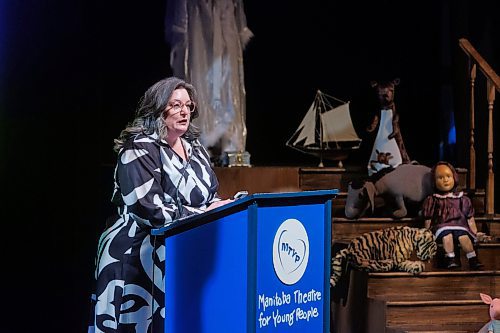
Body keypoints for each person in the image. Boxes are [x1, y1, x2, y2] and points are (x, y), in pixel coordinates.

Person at [88, 77, 234, 333]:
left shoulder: (195, 149)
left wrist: (225, 205)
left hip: (181, 253)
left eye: (188, 106)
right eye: (176, 104)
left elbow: (209, 194)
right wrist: (206, 213)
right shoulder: (139, 148)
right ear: (157, 109)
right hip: (136, 255)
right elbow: (149, 209)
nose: (184, 111)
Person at [422, 161, 483, 270]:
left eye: (448, 176)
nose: (445, 180)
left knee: (464, 237)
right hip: (442, 225)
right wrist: (427, 233)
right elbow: (428, 218)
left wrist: (475, 232)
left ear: (454, 177)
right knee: (447, 237)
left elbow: (470, 218)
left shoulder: (461, 198)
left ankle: (472, 258)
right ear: (434, 182)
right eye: (440, 178)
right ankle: (451, 258)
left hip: (460, 224)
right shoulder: (433, 199)